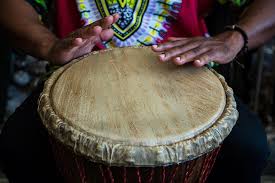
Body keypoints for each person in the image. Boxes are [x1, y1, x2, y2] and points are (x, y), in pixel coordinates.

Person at [0, 0, 274, 182]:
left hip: (185, 73)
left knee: (247, 148)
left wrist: (235, 37)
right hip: (75, 76)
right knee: (19, 144)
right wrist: (49, 45)